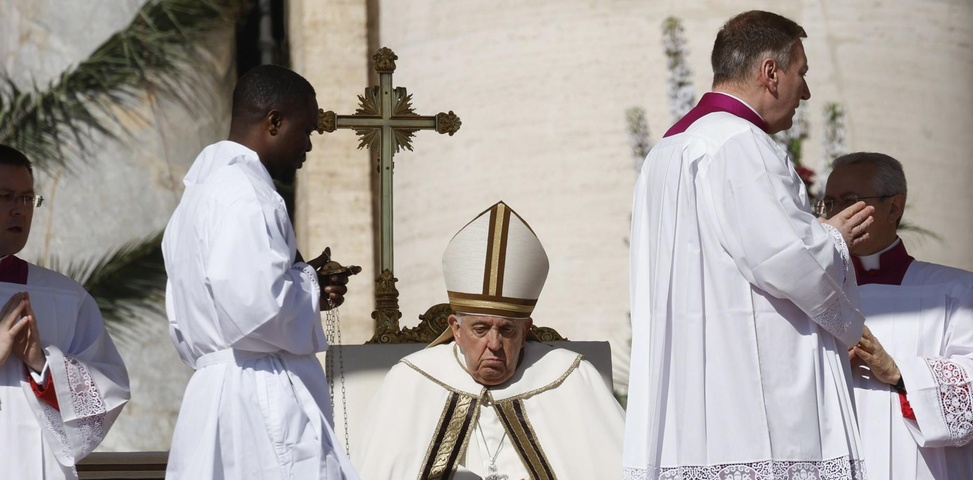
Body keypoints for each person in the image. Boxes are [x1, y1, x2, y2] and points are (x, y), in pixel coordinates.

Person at [623, 10, 878, 479]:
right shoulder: (741, 145)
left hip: (693, 405)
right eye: (801, 74)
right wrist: (835, 238)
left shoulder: (666, 152)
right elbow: (785, 260)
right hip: (755, 405)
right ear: (770, 73)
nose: (805, 92)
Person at [162, 65, 359, 479]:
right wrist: (310, 288)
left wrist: (303, 280)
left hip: (214, 396)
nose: (307, 146)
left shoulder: (195, 201)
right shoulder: (247, 194)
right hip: (259, 400)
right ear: (274, 121)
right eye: (305, 130)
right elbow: (257, 310)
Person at [353, 201, 625, 480]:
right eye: (480, 329)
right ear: (456, 329)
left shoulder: (571, 378)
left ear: (524, 331)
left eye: (506, 330)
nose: (494, 344)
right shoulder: (410, 381)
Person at [823, 152, 973, 479]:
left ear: (894, 207)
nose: (837, 215)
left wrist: (900, 372)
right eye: (829, 203)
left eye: (850, 201)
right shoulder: (812, 291)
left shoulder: (956, 290)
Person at [0, 144, 130, 479]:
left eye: (27, 198)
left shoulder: (64, 296)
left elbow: (106, 397)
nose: (20, 210)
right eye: (6, 196)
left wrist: (42, 366)